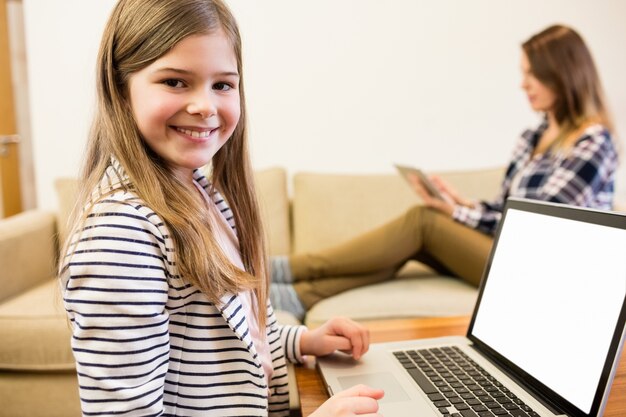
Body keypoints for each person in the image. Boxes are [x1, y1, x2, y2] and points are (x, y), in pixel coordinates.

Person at [58, 1, 384, 415]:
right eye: (176, 82)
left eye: (223, 85)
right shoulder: (120, 234)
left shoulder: (205, 195)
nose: (206, 106)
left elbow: (220, 337)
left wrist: (300, 340)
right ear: (120, 90)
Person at [270, 24, 619, 319]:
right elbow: (507, 209)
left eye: (532, 74)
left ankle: (290, 269)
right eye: (523, 73)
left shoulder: (593, 142)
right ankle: (298, 298)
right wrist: (462, 203)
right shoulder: (532, 137)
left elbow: (536, 226)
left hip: (544, 274)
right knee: (411, 245)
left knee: (424, 221)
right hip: (512, 251)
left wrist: (458, 214)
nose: (523, 84)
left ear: (563, 75)